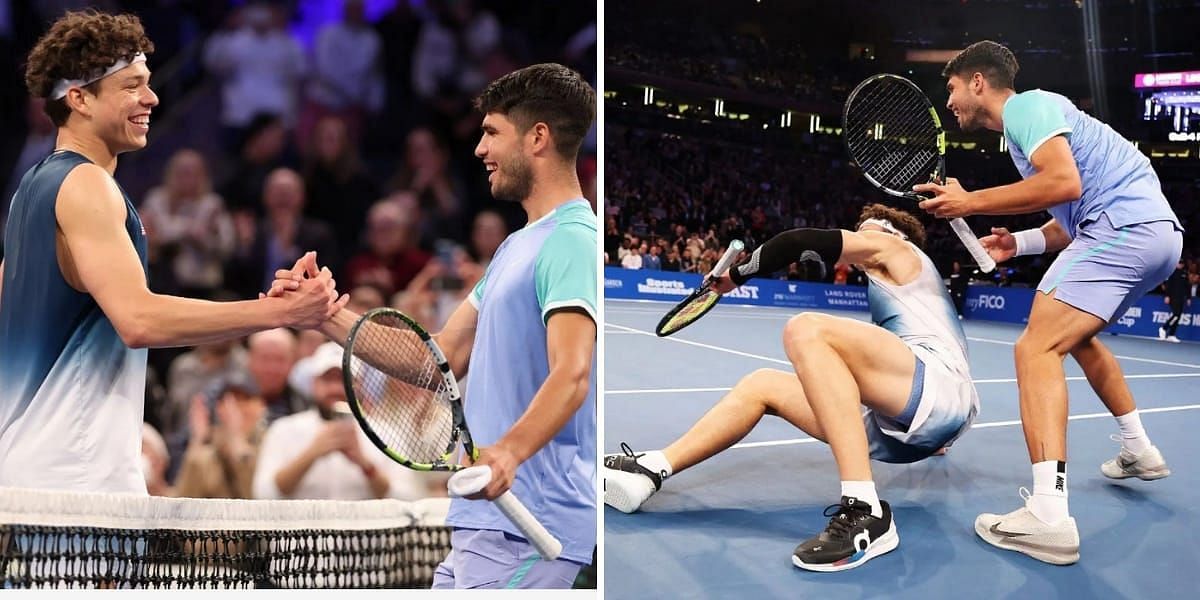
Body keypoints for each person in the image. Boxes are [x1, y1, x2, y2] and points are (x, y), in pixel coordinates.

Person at [267, 63, 597, 589]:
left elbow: (573, 373)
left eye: (492, 133)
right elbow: (434, 357)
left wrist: (509, 451)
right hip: (484, 523)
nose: (479, 149)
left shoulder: (573, 239)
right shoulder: (517, 246)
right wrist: (324, 313)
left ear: (538, 138)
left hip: (534, 525)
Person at [0, 10, 337, 495]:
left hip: (31, 475)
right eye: (132, 85)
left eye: (150, 83)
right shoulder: (85, 185)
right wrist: (279, 312)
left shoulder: (31, 190)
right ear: (80, 99)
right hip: (75, 481)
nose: (152, 97)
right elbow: (139, 321)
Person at [915, 40, 1183, 564]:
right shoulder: (1030, 135)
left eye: (951, 89)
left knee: (1034, 347)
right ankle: (1138, 449)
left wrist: (969, 201)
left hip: (1123, 228)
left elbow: (1064, 181)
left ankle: (1048, 516)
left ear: (977, 82)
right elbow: (1066, 223)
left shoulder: (1028, 107)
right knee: (1074, 337)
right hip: (1154, 235)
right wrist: (1018, 243)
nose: (949, 102)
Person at [605, 205, 980, 572]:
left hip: (938, 396)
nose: (859, 237)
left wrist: (735, 276)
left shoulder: (899, 249)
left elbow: (799, 240)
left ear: (893, 234)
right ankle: (652, 470)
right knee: (761, 385)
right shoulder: (905, 292)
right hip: (912, 429)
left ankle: (866, 509)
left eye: (868, 230)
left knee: (807, 329)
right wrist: (940, 438)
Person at [252, 342, 427, 501]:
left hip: (363, 535)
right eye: (328, 379)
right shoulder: (284, 430)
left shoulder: (385, 433)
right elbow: (264, 494)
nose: (336, 388)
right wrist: (312, 453)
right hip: (304, 534)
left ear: (358, 386)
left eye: (344, 380)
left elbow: (408, 499)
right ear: (314, 383)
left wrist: (365, 465)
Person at [1160, 259, 1189, 343]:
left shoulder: (1184, 274)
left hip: (1181, 298)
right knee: (1176, 315)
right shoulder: (1172, 272)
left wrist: (1189, 297)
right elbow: (1168, 285)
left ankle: (1171, 335)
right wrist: (1167, 296)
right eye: (1179, 263)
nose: (1180, 265)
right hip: (1173, 297)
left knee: (1178, 316)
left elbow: (1187, 286)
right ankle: (1164, 328)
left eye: (1182, 263)